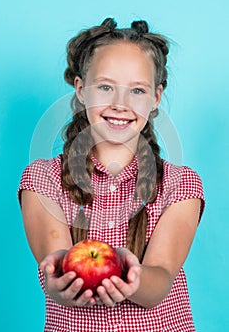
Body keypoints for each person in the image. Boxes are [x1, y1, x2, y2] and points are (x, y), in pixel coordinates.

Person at [18, 18, 205, 332]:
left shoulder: (179, 184)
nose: (120, 104)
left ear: (156, 98)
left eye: (137, 90)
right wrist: (61, 283)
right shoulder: (43, 179)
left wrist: (133, 276)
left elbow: (159, 280)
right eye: (105, 87)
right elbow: (55, 266)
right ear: (81, 90)